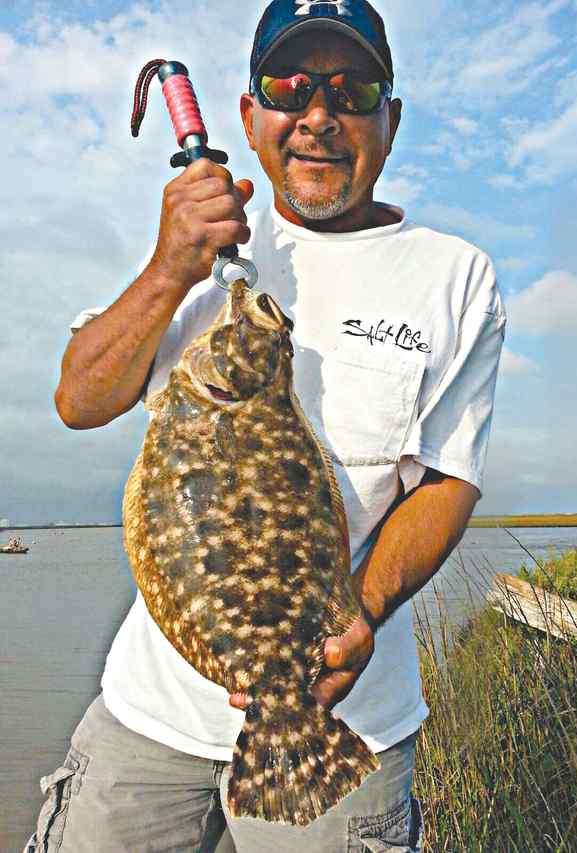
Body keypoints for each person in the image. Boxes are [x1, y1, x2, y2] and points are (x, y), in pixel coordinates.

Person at [30, 1, 506, 850]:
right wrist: (170, 267)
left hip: (342, 715)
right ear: (250, 117)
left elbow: (447, 479)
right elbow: (79, 399)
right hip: (148, 716)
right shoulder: (195, 251)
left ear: (390, 120)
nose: (319, 114)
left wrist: (360, 611)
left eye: (352, 91)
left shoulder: (453, 276)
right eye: (291, 88)